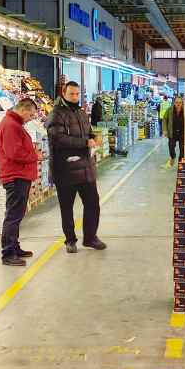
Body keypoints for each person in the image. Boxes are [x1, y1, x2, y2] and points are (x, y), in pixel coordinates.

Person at [47, 81, 107, 253]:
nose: (75, 97)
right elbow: (57, 139)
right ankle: (70, 240)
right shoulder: (56, 114)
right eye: (71, 94)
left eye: (77, 94)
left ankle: (90, 238)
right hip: (64, 169)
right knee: (67, 207)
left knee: (93, 203)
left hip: (85, 168)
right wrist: (84, 142)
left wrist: (94, 137)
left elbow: (88, 132)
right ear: (63, 93)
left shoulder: (81, 113)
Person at [0, 99, 41, 266]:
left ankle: (14, 247)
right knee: (13, 216)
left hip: (20, 174)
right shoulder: (11, 125)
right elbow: (14, 152)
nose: (30, 118)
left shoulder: (14, 124)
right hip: (15, 175)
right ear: (23, 110)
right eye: (30, 114)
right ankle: (8, 253)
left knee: (17, 214)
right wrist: (34, 156)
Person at [167, 96, 185, 166]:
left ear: (182, 103)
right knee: (171, 146)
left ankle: (180, 161)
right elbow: (165, 120)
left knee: (182, 149)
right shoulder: (169, 110)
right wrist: (165, 130)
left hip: (182, 133)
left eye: (180, 102)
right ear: (174, 103)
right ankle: (173, 157)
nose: (178, 104)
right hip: (172, 132)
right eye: (177, 102)